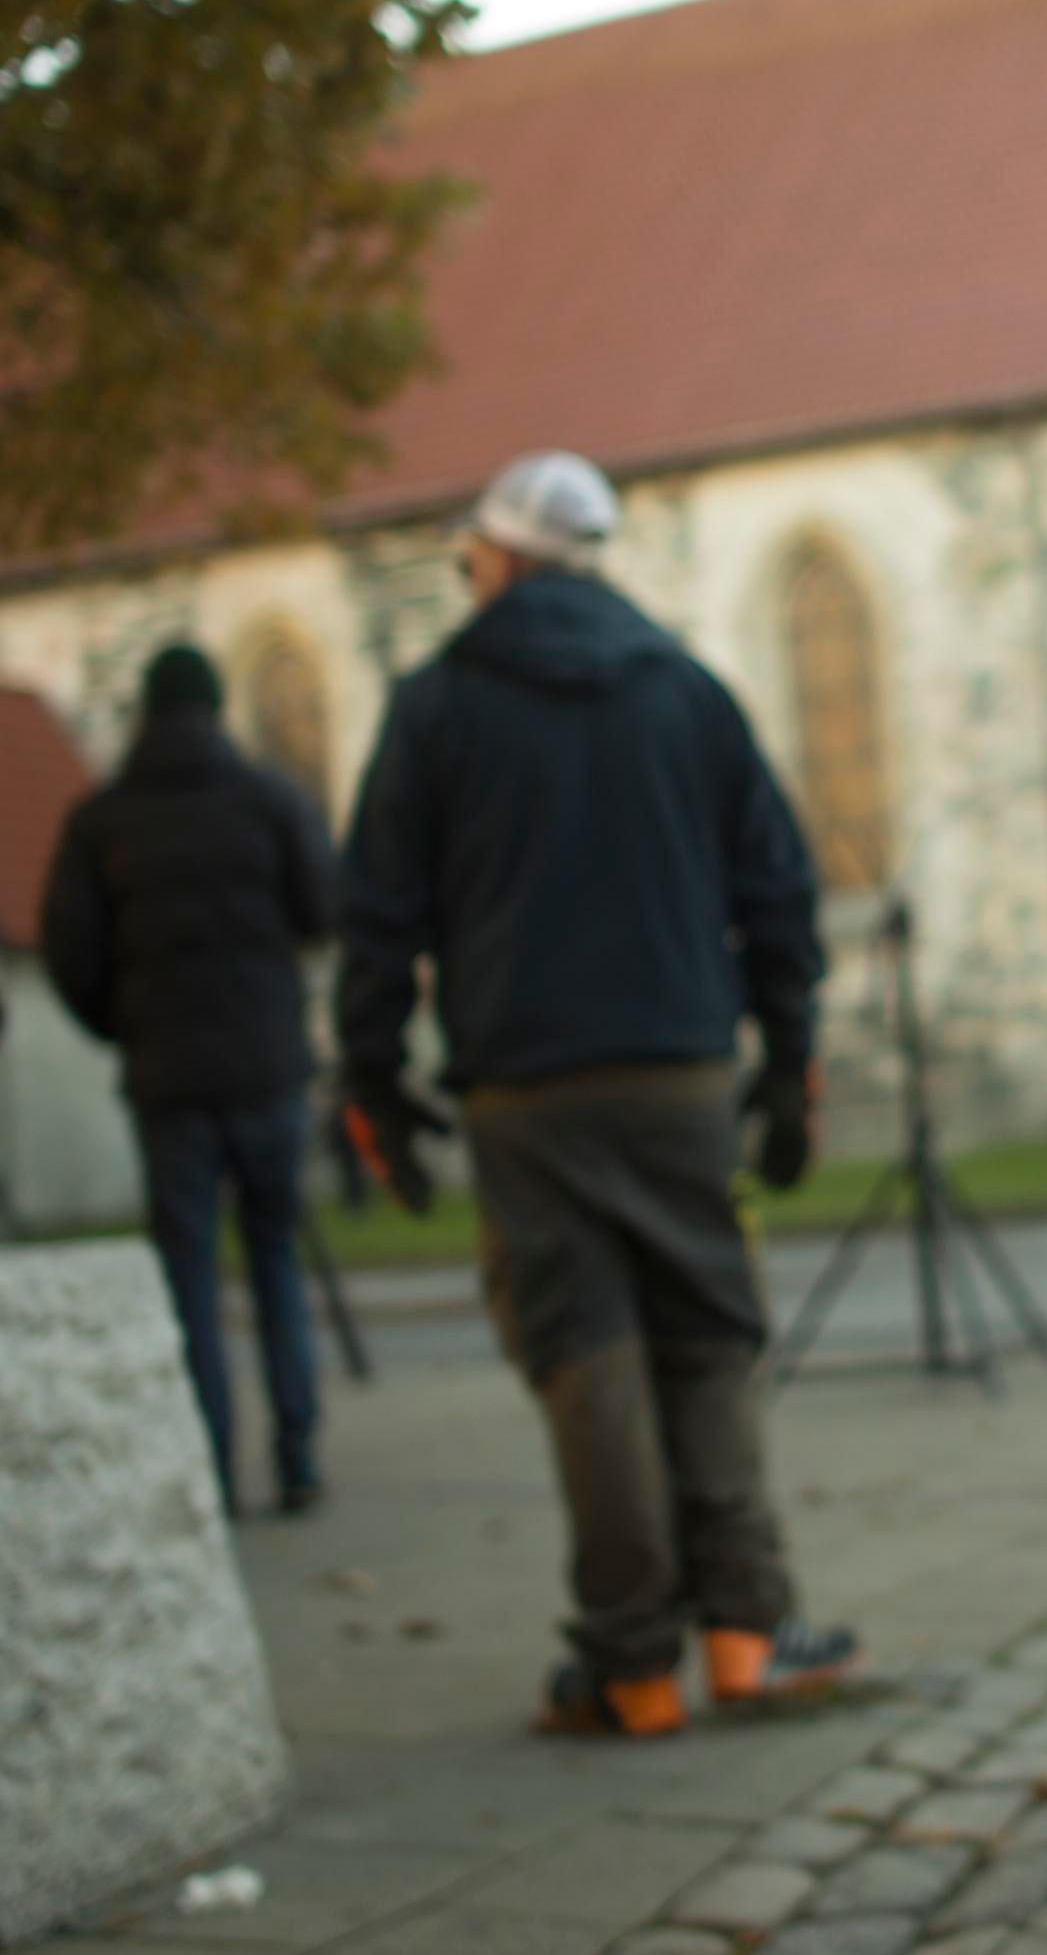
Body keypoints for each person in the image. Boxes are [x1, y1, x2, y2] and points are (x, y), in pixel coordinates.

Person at [335, 450, 859, 1737]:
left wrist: (374, 1083)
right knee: (706, 1339)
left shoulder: (436, 707)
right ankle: (745, 1633)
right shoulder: (686, 692)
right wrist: (788, 1060)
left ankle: (631, 1668)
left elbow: (378, 915)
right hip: (678, 1070)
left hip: (524, 1089)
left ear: (498, 559)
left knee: (585, 1356)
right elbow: (776, 890)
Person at [42, 644, 336, 1520]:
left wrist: (124, 1022)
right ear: (215, 710)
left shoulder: (103, 821)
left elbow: (70, 951)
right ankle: (297, 1452)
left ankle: (210, 1461)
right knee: (276, 1258)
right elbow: (322, 908)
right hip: (265, 1066)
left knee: (190, 1275)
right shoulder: (270, 802)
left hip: (168, 1078)